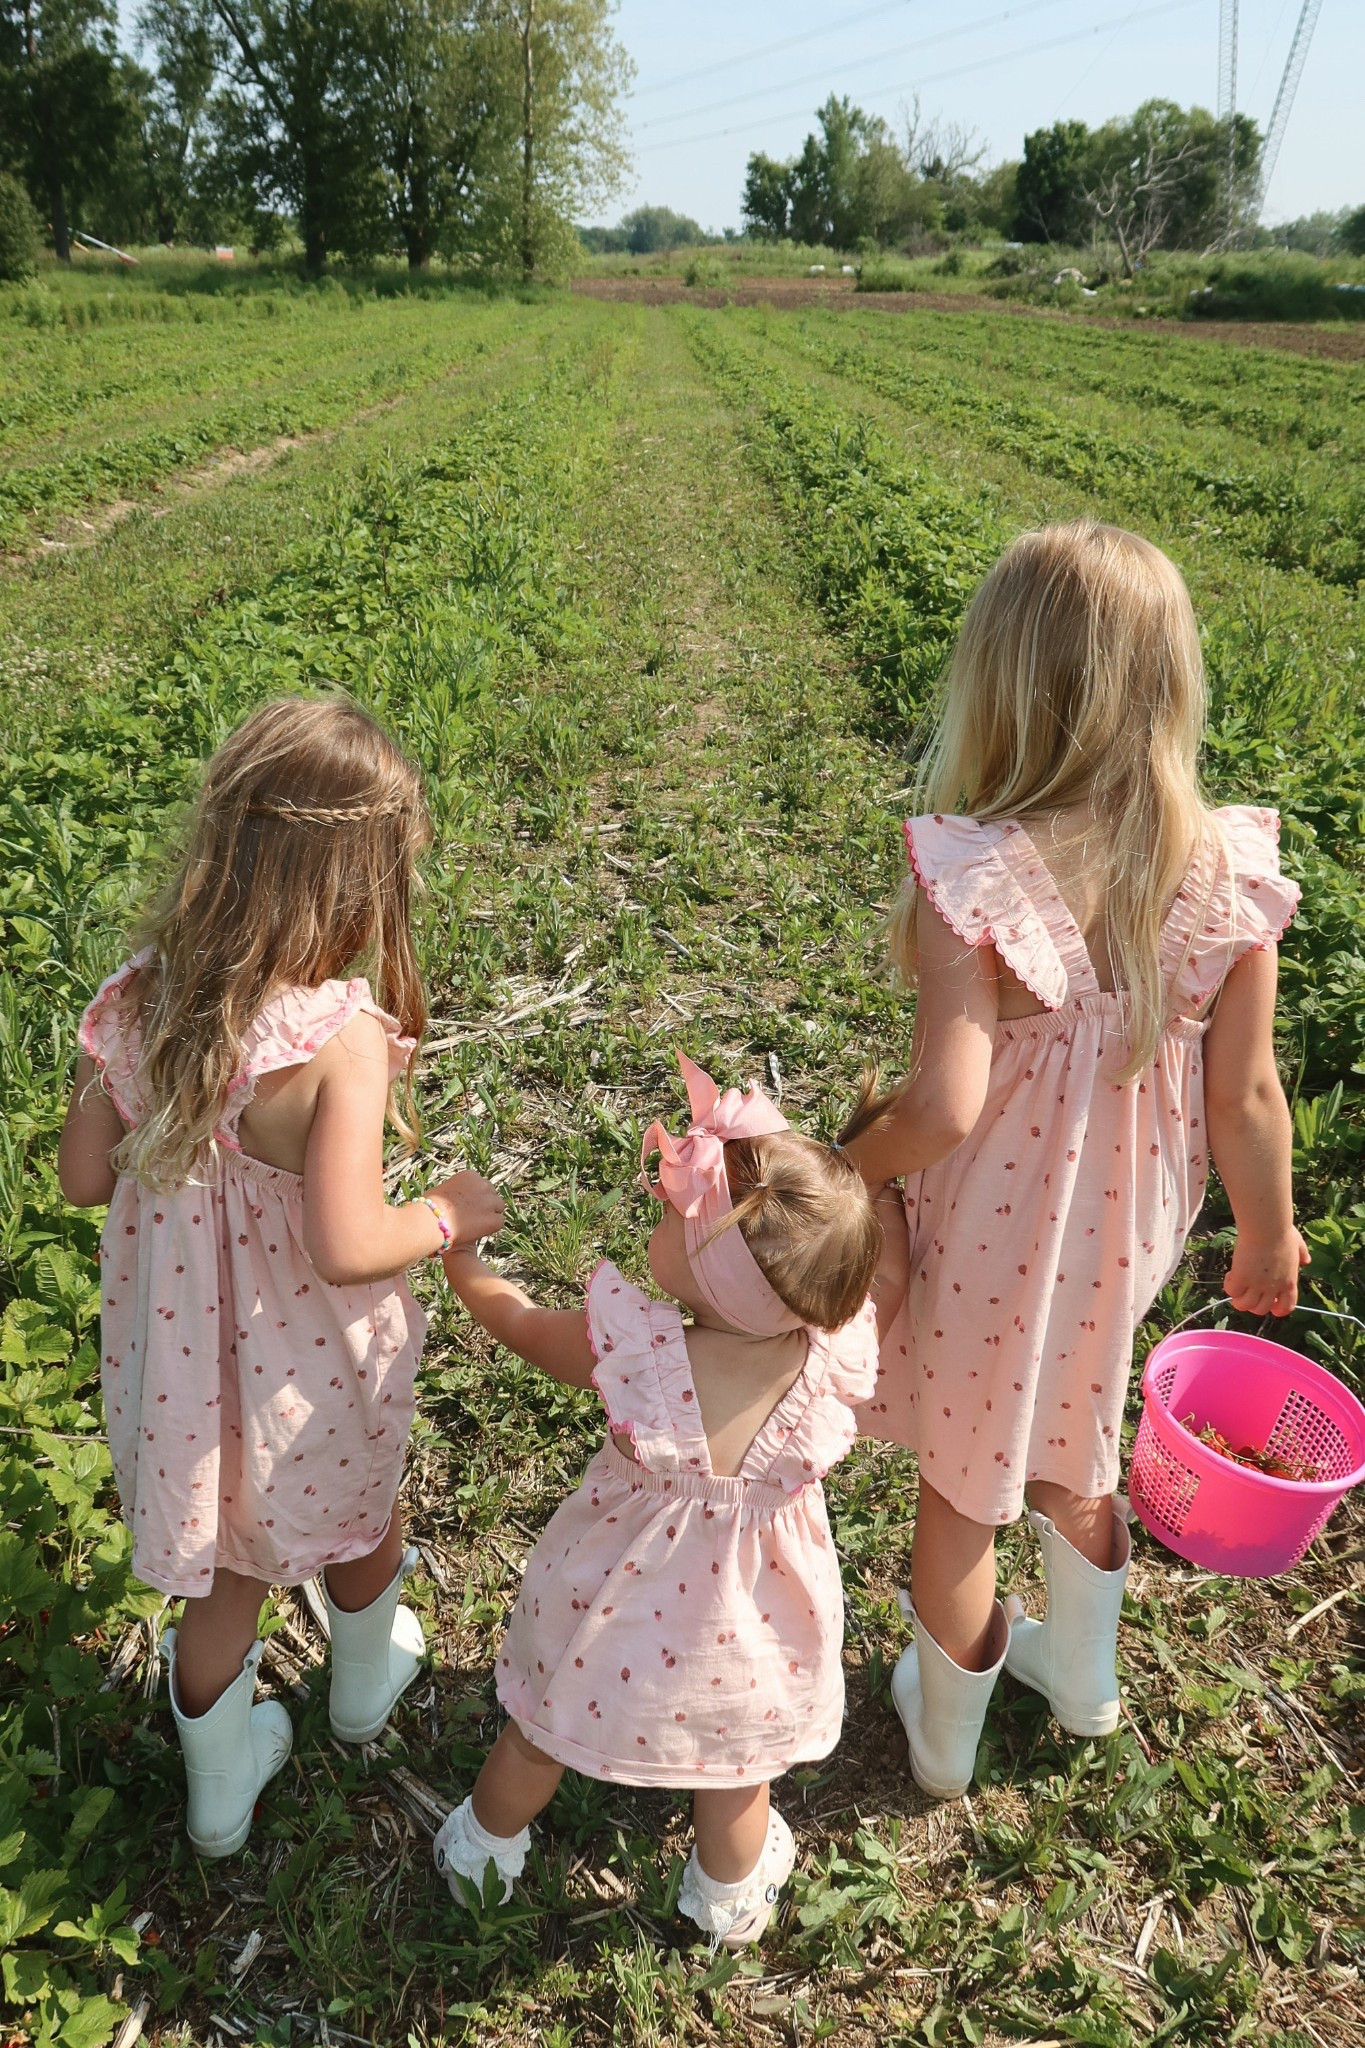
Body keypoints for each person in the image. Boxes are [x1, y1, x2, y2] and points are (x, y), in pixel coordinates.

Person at [840, 521, 1305, 1798]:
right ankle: (1083, 1677)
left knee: (966, 1475)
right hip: (1131, 1229)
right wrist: (1266, 1231)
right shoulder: (1223, 871)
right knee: (1080, 1435)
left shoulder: (976, 872)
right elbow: (1249, 1091)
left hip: (994, 1235)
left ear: (1005, 683)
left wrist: (850, 1163)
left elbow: (944, 1106)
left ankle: (943, 1735)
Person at [58, 696, 504, 1857]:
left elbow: (79, 1176)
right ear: (348, 890)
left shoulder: (146, 998)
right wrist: (446, 1214)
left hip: (185, 1381)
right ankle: (360, 1697)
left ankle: (217, 1795)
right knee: (362, 1517)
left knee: (225, 1580)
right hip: (310, 1381)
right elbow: (348, 1242)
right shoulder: (334, 1039)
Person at [431, 1054, 899, 1947]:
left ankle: (482, 1855)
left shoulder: (635, 1353)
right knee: (736, 1774)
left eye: (673, 1213)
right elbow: (886, 1288)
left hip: (604, 1606)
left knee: (538, 1732)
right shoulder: (829, 1361)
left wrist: (466, 1265)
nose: (658, 1206)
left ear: (707, 1274)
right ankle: (727, 1906)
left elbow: (519, 1323)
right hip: (748, 1631)